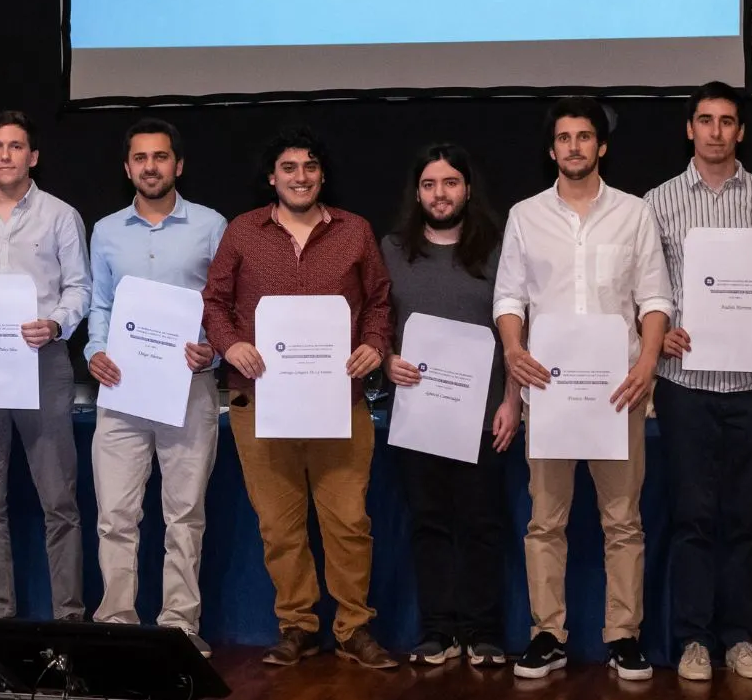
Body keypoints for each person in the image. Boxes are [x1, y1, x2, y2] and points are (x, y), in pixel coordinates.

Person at [203, 125, 399, 670]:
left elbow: (380, 302)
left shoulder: (355, 231)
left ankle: (354, 627)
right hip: (260, 401)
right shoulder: (243, 231)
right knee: (279, 525)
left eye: (310, 166)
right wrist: (230, 343)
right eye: (289, 168)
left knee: (349, 522)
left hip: (341, 402)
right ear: (272, 178)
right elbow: (214, 302)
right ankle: (297, 626)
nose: (300, 177)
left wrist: (374, 344)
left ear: (322, 175)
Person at [495, 97, 670, 681]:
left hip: (618, 392)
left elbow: (655, 297)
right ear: (552, 150)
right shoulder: (525, 215)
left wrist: (648, 362)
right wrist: (513, 350)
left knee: (623, 521)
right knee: (545, 521)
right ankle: (547, 634)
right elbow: (509, 297)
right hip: (548, 393)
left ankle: (623, 636)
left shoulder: (635, 213)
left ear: (602, 146)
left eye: (585, 137)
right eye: (564, 138)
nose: (575, 146)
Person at [645, 81, 752, 681]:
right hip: (685, 383)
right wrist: (662, 332)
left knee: (744, 517)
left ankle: (740, 638)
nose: (716, 131)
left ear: (741, 130)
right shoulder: (657, 202)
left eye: (726, 121)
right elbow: (645, 290)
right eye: (705, 120)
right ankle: (693, 639)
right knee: (692, 517)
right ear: (689, 129)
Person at [0, 110, 90, 621]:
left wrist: (56, 324)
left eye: (16, 146)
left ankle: (69, 615)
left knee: (59, 501)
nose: (5, 155)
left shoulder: (61, 215)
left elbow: (79, 287)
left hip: (41, 362)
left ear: (33, 156)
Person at [85, 118, 226, 657]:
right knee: (115, 515)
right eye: (141, 158)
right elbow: (100, 303)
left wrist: (212, 347)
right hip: (121, 390)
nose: (151, 166)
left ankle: (179, 627)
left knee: (184, 515)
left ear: (178, 165)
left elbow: (223, 305)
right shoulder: (106, 230)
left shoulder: (211, 226)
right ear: (128, 168)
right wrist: (95, 351)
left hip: (189, 388)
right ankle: (116, 622)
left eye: (160, 156)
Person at [381, 143, 515, 668]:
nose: (441, 194)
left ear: (468, 189)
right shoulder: (393, 249)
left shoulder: (499, 250)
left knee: (482, 525)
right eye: (430, 184)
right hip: (418, 416)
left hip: (483, 418)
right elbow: (377, 322)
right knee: (429, 524)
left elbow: (517, 332)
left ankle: (482, 631)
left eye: (451, 182)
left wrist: (512, 400)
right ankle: (438, 630)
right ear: (417, 193)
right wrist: (386, 360)